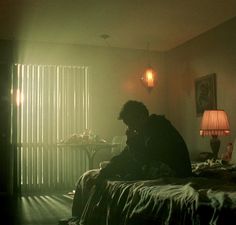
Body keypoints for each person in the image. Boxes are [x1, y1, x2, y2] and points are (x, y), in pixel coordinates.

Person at [66, 100, 192, 224]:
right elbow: (127, 155)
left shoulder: (159, 129)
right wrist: (105, 172)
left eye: (130, 123)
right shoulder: (144, 130)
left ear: (141, 117)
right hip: (158, 164)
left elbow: (143, 158)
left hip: (176, 171)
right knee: (118, 166)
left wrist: (131, 142)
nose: (129, 128)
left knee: (129, 167)